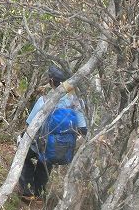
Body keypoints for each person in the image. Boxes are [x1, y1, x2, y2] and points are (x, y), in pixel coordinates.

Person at [17, 65, 88, 200]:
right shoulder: (77, 102)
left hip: (40, 142)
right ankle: (38, 193)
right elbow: (83, 128)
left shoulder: (44, 100)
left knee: (24, 153)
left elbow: (29, 124)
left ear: (51, 81)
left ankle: (26, 189)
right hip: (62, 147)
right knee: (46, 161)